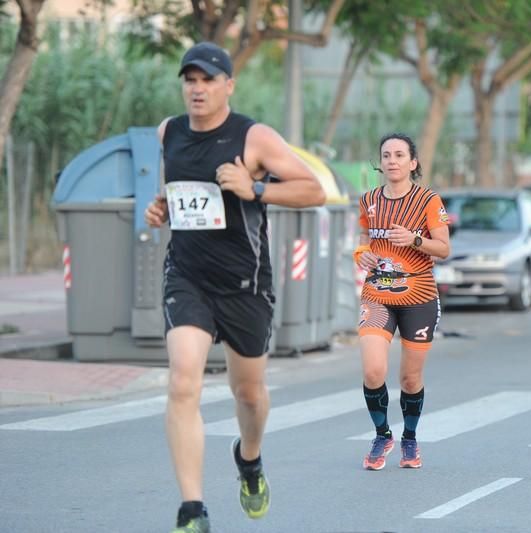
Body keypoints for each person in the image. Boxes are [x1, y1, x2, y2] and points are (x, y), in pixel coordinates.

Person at [144, 42, 325, 533]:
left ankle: (249, 460)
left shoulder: (254, 137)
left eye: (207, 79)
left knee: (248, 393)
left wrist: (255, 189)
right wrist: (161, 207)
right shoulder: (170, 133)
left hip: (245, 284)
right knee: (183, 380)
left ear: (228, 85)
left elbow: (314, 190)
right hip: (188, 276)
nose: (197, 89)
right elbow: (177, 192)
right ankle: (193, 510)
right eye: (190, 80)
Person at [353, 133, 450, 470]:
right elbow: (364, 239)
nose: (392, 160)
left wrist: (415, 239)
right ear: (380, 163)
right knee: (373, 369)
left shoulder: (428, 200)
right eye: (386, 155)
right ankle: (383, 434)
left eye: (399, 155)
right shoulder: (368, 200)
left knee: (410, 379)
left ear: (413, 163)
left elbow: (443, 248)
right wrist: (361, 254)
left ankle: (409, 437)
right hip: (377, 293)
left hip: (418, 296)